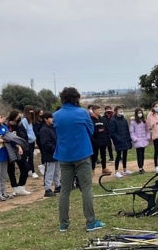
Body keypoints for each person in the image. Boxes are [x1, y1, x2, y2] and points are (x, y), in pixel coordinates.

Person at [53, 87, 104, 232]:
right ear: (77, 98)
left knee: (65, 190)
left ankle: (63, 224)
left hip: (64, 155)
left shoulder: (56, 115)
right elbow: (91, 130)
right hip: (82, 154)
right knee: (86, 188)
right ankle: (90, 222)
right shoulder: (82, 113)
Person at [5, 110, 31, 196]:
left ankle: (21, 186)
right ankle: (14, 187)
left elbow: (24, 136)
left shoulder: (20, 125)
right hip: (10, 149)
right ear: (14, 116)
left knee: (25, 167)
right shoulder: (7, 125)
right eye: (18, 116)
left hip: (21, 149)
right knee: (11, 169)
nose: (20, 118)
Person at [38, 111, 61, 197]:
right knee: (49, 172)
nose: (52, 119)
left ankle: (57, 185)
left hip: (56, 154)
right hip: (49, 154)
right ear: (45, 119)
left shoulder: (52, 128)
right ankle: (47, 188)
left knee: (57, 171)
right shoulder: (44, 130)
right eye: (50, 118)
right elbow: (46, 143)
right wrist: (54, 148)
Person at [108, 106, 133, 178]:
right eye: (119, 110)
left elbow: (127, 130)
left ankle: (125, 169)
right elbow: (112, 133)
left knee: (125, 154)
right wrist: (119, 139)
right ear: (115, 111)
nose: (121, 111)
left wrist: (128, 138)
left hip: (125, 140)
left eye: (122, 110)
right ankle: (116, 171)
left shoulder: (124, 120)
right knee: (118, 156)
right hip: (118, 141)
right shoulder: (113, 120)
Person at [90, 105, 111, 174]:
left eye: (100, 110)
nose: (100, 111)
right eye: (98, 110)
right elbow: (90, 132)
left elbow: (107, 129)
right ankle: (92, 170)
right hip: (95, 142)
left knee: (103, 155)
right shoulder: (90, 120)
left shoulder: (103, 119)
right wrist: (94, 141)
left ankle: (104, 168)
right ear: (94, 111)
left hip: (103, 141)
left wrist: (107, 139)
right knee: (94, 156)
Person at [21, 105, 39, 179]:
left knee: (30, 157)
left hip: (32, 141)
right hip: (27, 141)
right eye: (30, 110)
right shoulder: (24, 120)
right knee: (30, 157)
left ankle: (29, 170)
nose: (32, 112)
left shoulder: (31, 120)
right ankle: (32, 171)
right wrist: (28, 138)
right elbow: (24, 131)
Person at [130, 108, 149, 174]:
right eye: (138, 113)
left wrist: (147, 137)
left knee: (143, 154)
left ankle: (142, 166)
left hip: (143, 140)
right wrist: (135, 139)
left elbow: (147, 130)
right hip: (137, 140)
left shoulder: (144, 121)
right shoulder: (133, 122)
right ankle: (140, 168)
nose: (140, 114)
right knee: (139, 154)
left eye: (140, 112)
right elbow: (132, 132)